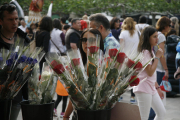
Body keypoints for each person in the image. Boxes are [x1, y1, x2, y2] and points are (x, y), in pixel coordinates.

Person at [63, 28, 104, 120]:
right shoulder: (78, 65)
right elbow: (75, 94)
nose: (87, 43)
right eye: (84, 40)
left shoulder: (105, 65)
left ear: (99, 42)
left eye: (91, 40)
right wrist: (66, 115)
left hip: (97, 114)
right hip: (78, 114)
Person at [0, 3, 28, 120]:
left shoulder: (24, 39)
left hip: (16, 96)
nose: (15, 22)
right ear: (1, 21)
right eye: (10, 19)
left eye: (16, 19)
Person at [133, 26, 166, 120]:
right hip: (143, 87)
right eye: (154, 36)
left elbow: (150, 75)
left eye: (157, 36)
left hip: (151, 87)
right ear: (148, 38)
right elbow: (150, 72)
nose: (157, 39)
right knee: (144, 117)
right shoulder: (145, 52)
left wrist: (157, 87)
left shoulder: (150, 51)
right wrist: (157, 57)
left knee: (161, 112)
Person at [148, 16, 170, 120]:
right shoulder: (161, 37)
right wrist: (166, 69)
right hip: (158, 68)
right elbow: (161, 54)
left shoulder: (157, 35)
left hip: (155, 67)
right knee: (156, 95)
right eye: (169, 25)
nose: (170, 27)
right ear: (165, 26)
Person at [119, 17, 140, 103]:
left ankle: (120, 95)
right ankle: (132, 97)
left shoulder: (123, 33)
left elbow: (121, 47)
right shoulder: (137, 32)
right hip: (136, 58)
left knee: (122, 77)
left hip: (126, 58)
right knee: (133, 77)